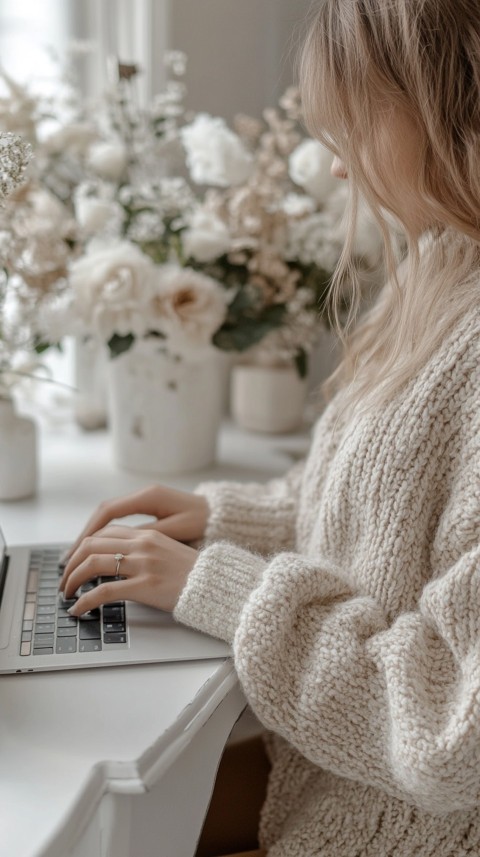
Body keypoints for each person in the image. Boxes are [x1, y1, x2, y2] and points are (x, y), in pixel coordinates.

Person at [60, 0, 480, 854]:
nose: (334, 171)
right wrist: (222, 519)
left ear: (447, 100)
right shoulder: (444, 260)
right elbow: (379, 516)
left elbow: (449, 732)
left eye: (354, 125)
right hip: (320, 791)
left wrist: (218, 585)